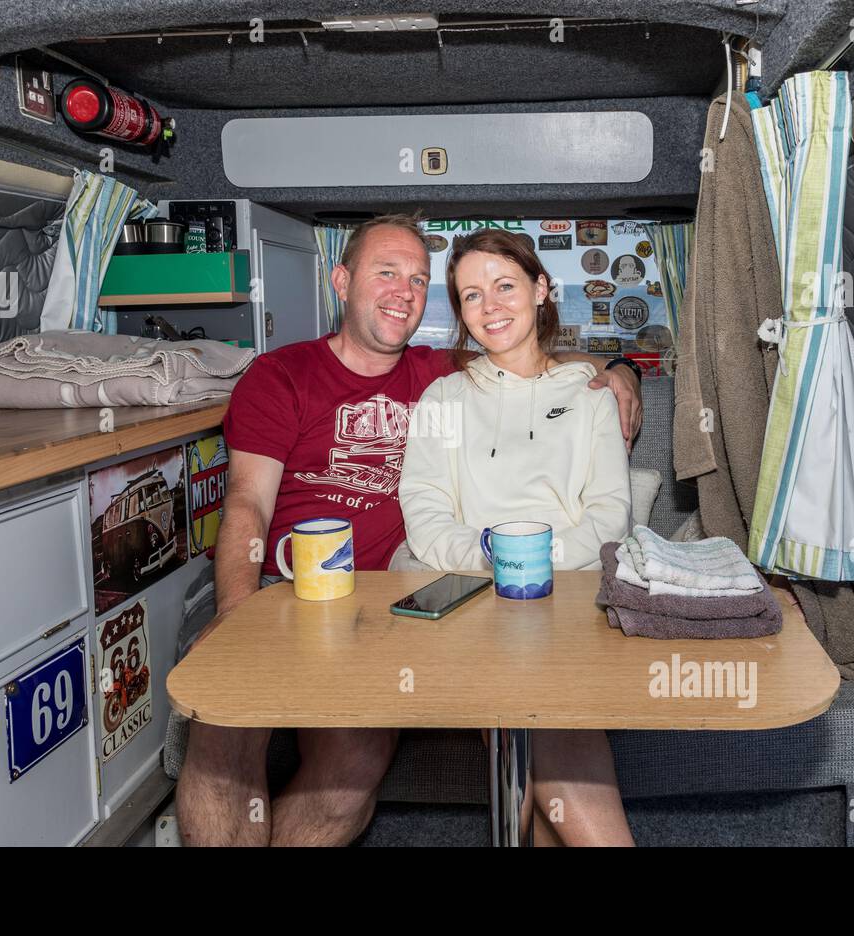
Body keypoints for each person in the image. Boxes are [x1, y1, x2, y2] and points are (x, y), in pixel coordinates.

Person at [176, 214, 643, 846]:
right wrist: (236, 615)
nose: (404, 290)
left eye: (419, 279)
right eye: (386, 273)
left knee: (355, 764)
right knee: (225, 727)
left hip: (391, 606)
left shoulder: (437, 374)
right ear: (342, 281)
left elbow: (529, 355)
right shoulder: (281, 374)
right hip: (289, 591)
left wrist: (620, 369)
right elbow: (245, 508)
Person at [398, 229, 636, 846]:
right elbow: (424, 511)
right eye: (472, 295)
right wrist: (492, 557)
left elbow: (610, 515)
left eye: (505, 286)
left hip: (571, 594)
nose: (491, 307)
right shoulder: (444, 396)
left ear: (541, 288)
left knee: (542, 712)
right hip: (472, 596)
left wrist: (542, 562)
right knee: (529, 705)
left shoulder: (590, 394)